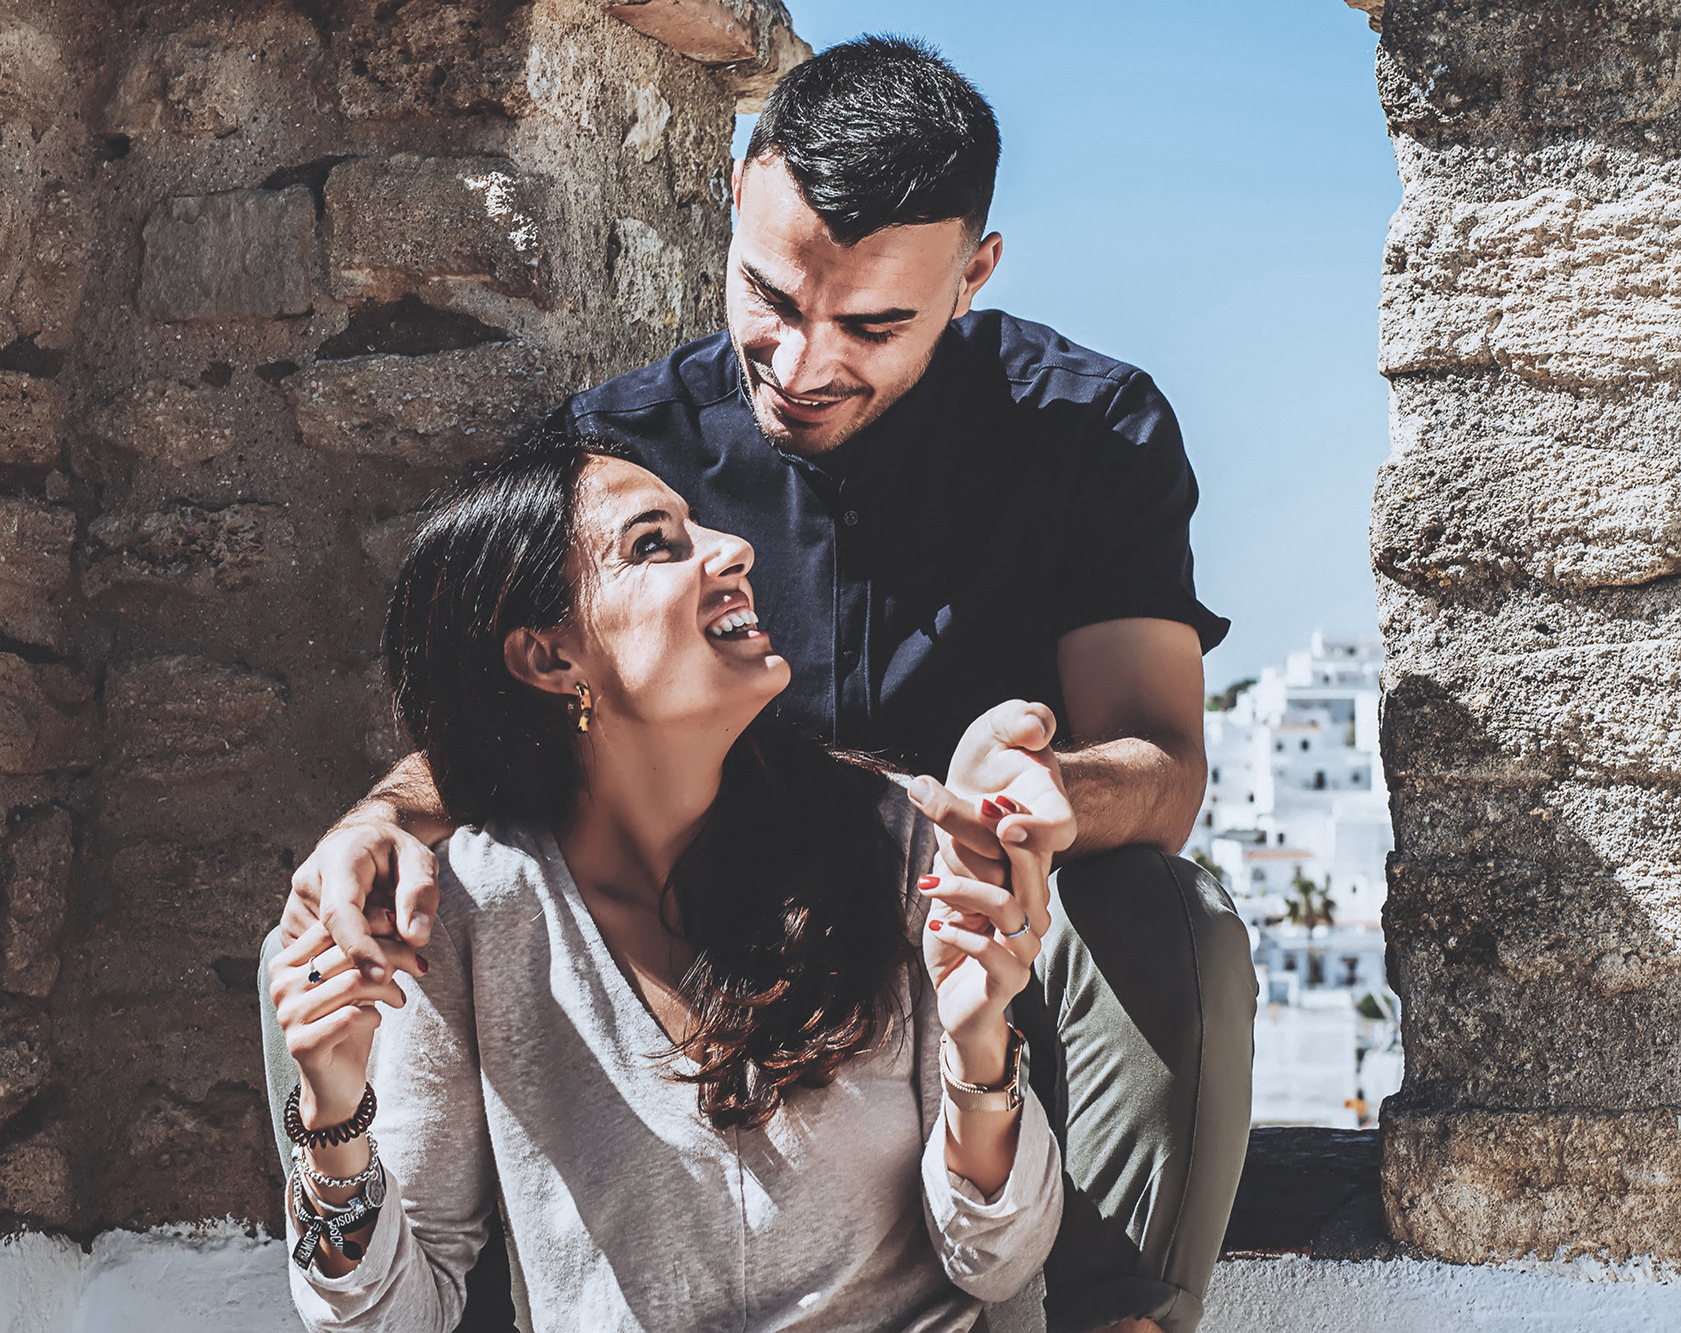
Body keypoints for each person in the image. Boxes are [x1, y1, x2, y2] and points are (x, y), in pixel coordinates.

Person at [282, 35, 1256, 1333]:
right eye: (772, 300)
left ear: (974, 276)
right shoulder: (622, 449)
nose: (799, 368)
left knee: (1161, 916)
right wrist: (369, 836)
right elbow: (505, 710)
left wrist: (1036, 793)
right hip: (708, 932)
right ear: (737, 192)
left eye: (870, 325)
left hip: (966, 926)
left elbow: (1161, 762)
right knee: (344, 921)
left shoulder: (1089, 430)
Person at [261, 439, 1068, 1329]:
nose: (734, 550)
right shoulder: (469, 911)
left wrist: (978, 1041)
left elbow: (998, 1258)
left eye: (700, 525)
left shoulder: (892, 840)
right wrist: (332, 1113)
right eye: (655, 544)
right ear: (548, 658)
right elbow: (391, 1318)